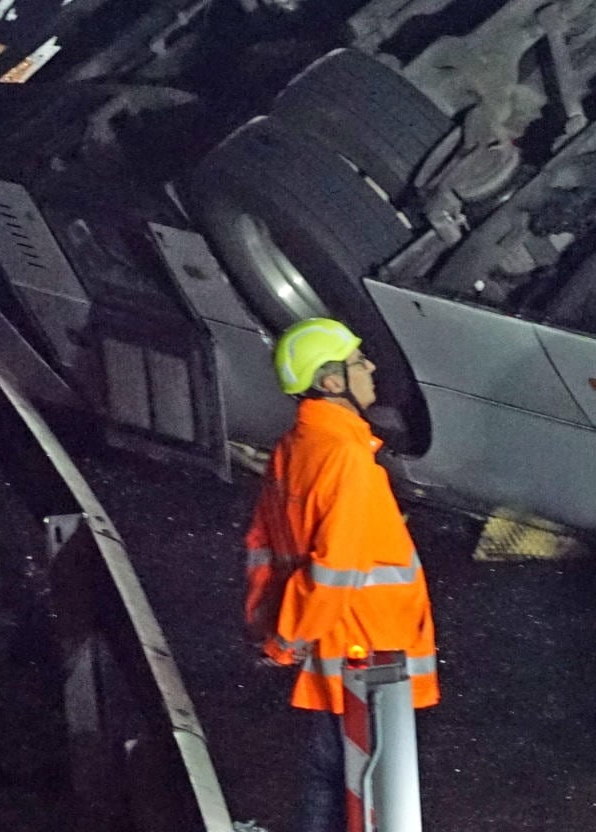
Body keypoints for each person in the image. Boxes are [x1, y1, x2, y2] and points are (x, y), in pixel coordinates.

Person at [245, 315, 438, 832]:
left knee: (328, 778)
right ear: (331, 382)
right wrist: (289, 638)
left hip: (331, 648)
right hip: (370, 653)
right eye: (357, 361)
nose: (370, 367)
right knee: (364, 789)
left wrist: (276, 634)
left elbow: (264, 548)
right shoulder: (346, 459)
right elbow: (337, 569)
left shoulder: (293, 449)